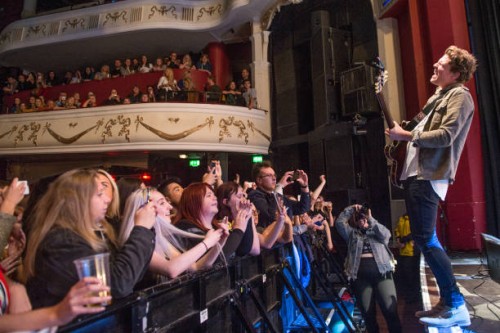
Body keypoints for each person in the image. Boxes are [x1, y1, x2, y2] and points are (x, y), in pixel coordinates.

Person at [386, 45, 477, 328]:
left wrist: (408, 134)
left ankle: (455, 304)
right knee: (425, 239)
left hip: (429, 176)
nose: (436, 65)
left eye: (442, 63)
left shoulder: (460, 96)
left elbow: (446, 135)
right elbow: (414, 129)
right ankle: (448, 302)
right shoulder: (439, 97)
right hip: (416, 175)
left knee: (426, 239)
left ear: (456, 73)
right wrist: (398, 135)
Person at [23, 168, 156, 309]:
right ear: (77, 201)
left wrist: (146, 230)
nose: (107, 199)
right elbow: (117, 286)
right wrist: (141, 229)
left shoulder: (97, 232)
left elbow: (133, 277)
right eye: (99, 194)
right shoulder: (63, 241)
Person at [119, 188, 223, 285]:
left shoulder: (159, 239)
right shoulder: (139, 243)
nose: (170, 207)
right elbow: (172, 270)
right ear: (144, 209)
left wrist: (221, 240)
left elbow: (196, 267)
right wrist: (207, 243)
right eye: (162, 203)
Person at [336, 204, 402, 333]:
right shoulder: (351, 234)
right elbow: (339, 223)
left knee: (390, 310)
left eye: (364, 218)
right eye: (359, 218)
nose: (362, 220)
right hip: (360, 277)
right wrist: (351, 209)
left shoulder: (376, 231)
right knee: (368, 314)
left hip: (382, 273)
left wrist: (370, 219)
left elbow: (386, 235)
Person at [215, 182, 260, 256]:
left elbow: (256, 250)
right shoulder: (222, 223)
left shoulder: (238, 219)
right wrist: (244, 215)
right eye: (239, 196)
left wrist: (249, 216)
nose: (244, 199)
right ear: (226, 202)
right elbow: (245, 250)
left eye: (243, 195)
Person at [394, 213, 421, 303]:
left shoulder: (415, 218)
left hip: (413, 252)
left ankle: (415, 296)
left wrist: (404, 240)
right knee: (405, 274)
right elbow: (397, 230)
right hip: (403, 251)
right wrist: (398, 239)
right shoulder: (402, 218)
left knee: (412, 275)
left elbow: (416, 232)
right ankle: (409, 295)